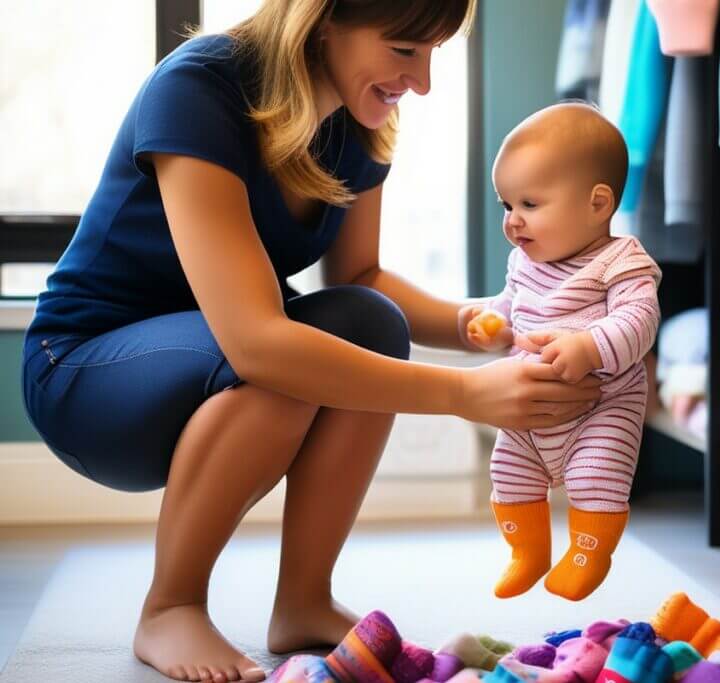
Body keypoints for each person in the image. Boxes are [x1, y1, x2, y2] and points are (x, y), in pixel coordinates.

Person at [20, 2, 602, 681]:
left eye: (433, 53)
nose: (422, 83)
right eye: (405, 50)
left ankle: (303, 600)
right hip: (84, 369)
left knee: (370, 321)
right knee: (280, 361)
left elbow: (361, 278)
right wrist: (464, 394)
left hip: (219, 355)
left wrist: (499, 325)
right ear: (324, 18)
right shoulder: (197, 88)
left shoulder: (359, 119)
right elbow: (257, 344)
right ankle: (170, 605)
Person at [460, 103, 662, 602]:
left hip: (601, 406)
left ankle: (588, 553)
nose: (512, 221)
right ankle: (526, 552)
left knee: (596, 476)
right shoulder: (523, 262)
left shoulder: (621, 260)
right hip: (531, 407)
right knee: (508, 471)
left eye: (529, 204)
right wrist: (493, 323)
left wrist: (590, 346)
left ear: (598, 204)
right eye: (506, 205)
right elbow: (511, 305)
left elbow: (640, 320)